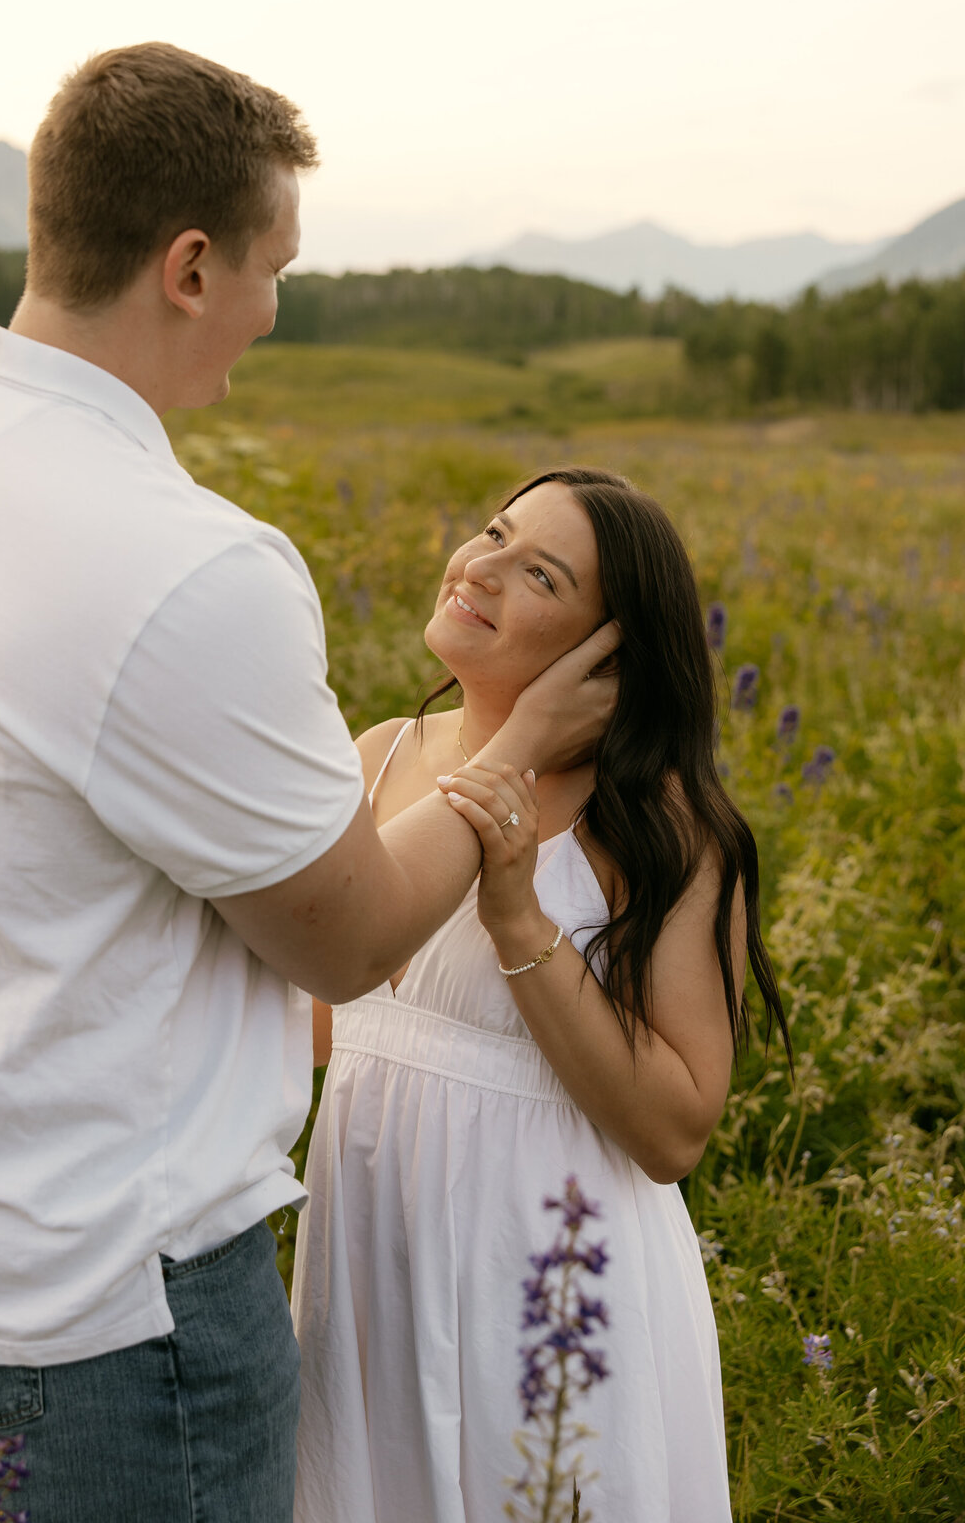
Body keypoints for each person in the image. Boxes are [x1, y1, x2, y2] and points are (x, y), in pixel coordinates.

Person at [0, 43, 618, 1523]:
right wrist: (513, 752)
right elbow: (353, 939)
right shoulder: (183, 561)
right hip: (122, 1298)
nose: (274, 308)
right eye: (273, 267)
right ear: (188, 266)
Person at [292, 467, 792, 1523]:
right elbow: (312, 1027)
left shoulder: (657, 828)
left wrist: (521, 919)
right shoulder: (379, 761)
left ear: (606, 652)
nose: (479, 569)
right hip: (370, 1271)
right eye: (491, 533)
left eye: (539, 574)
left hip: (549, 1291)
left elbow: (675, 1129)